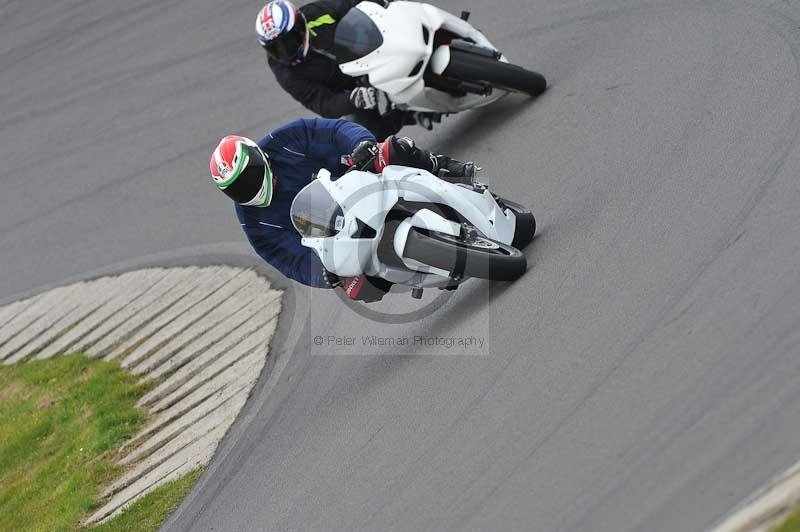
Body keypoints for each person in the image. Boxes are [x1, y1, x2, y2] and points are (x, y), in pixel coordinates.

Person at [209, 118, 476, 302]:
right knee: (359, 288)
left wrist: (359, 145)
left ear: (259, 156)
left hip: (356, 180)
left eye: (250, 175)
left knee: (390, 150)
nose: (249, 186)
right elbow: (290, 260)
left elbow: (333, 130)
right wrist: (324, 273)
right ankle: (421, 274)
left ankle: (443, 167)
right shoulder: (254, 224)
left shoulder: (284, 139)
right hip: (338, 234)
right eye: (238, 188)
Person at [255, 0, 436, 140]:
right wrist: (353, 99)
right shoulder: (286, 72)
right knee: (367, 137)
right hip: (350, 88)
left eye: (288, 41)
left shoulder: (314, 14)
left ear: (299, 26)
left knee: (410, 29)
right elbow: (322, 102)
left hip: (369, 52)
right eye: (276, 48)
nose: (286, 51)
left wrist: (382, 5)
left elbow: (349, 4)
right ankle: (410, 113)